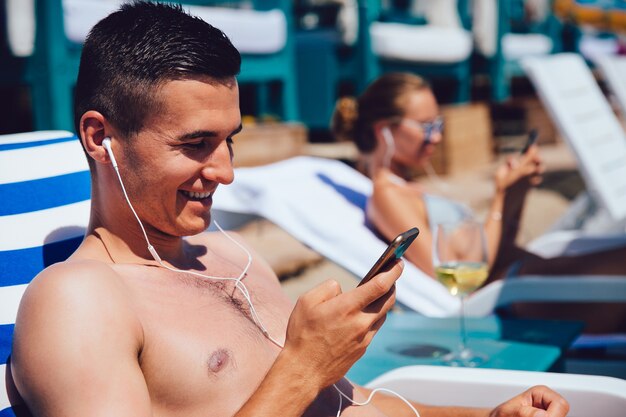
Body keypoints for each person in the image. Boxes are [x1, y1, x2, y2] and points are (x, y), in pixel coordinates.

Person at [11, 3, 569, 417]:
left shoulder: (229, 253)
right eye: (195, 144)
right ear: (99, 137)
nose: (225, 171)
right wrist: (302, 368)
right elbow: (307, 383)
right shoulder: (79, 301)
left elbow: (351, 404)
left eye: (230, 140)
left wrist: (489, 415)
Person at [332, 72, 626, 333]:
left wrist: (516, 191)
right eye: (426, 125)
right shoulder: (387, 196)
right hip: (513, 294)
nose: (437, 136)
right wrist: (499, 197)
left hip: (527, 275)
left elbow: (502, 241)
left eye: (439, 123)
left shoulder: (411, 188)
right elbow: (451, 273)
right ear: (383, 130)